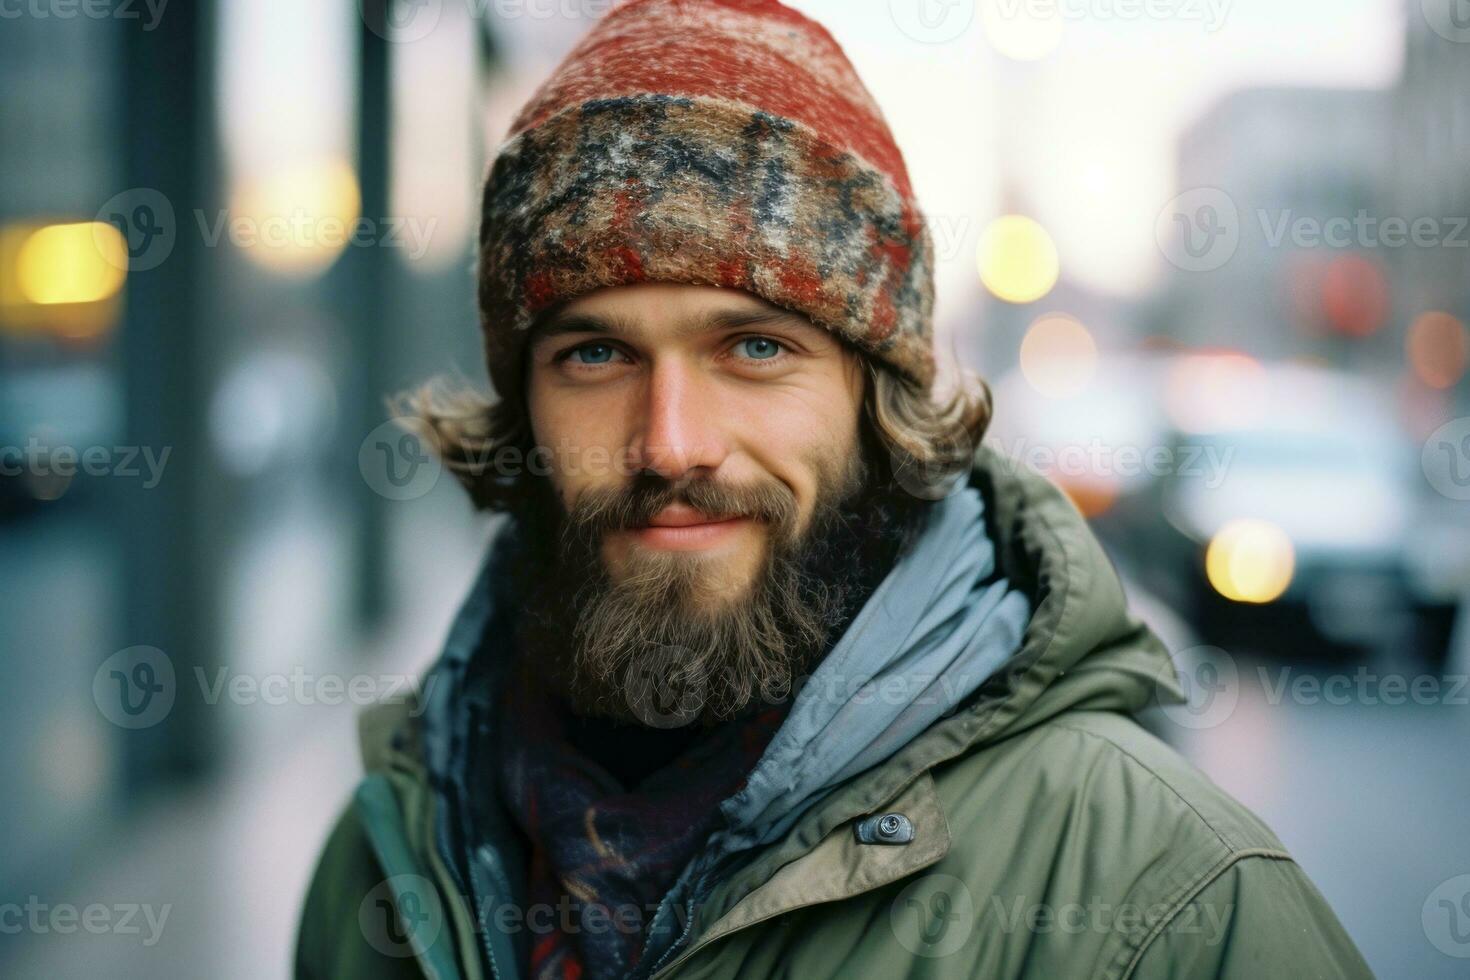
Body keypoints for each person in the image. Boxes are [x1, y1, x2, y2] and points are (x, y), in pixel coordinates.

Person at [296, 1, 1373, 977]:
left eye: (755, 346)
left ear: (879, 402)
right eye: (594, 355)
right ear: (520, 406)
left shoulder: (1164, 900)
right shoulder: (389, 860)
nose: (671, 444)